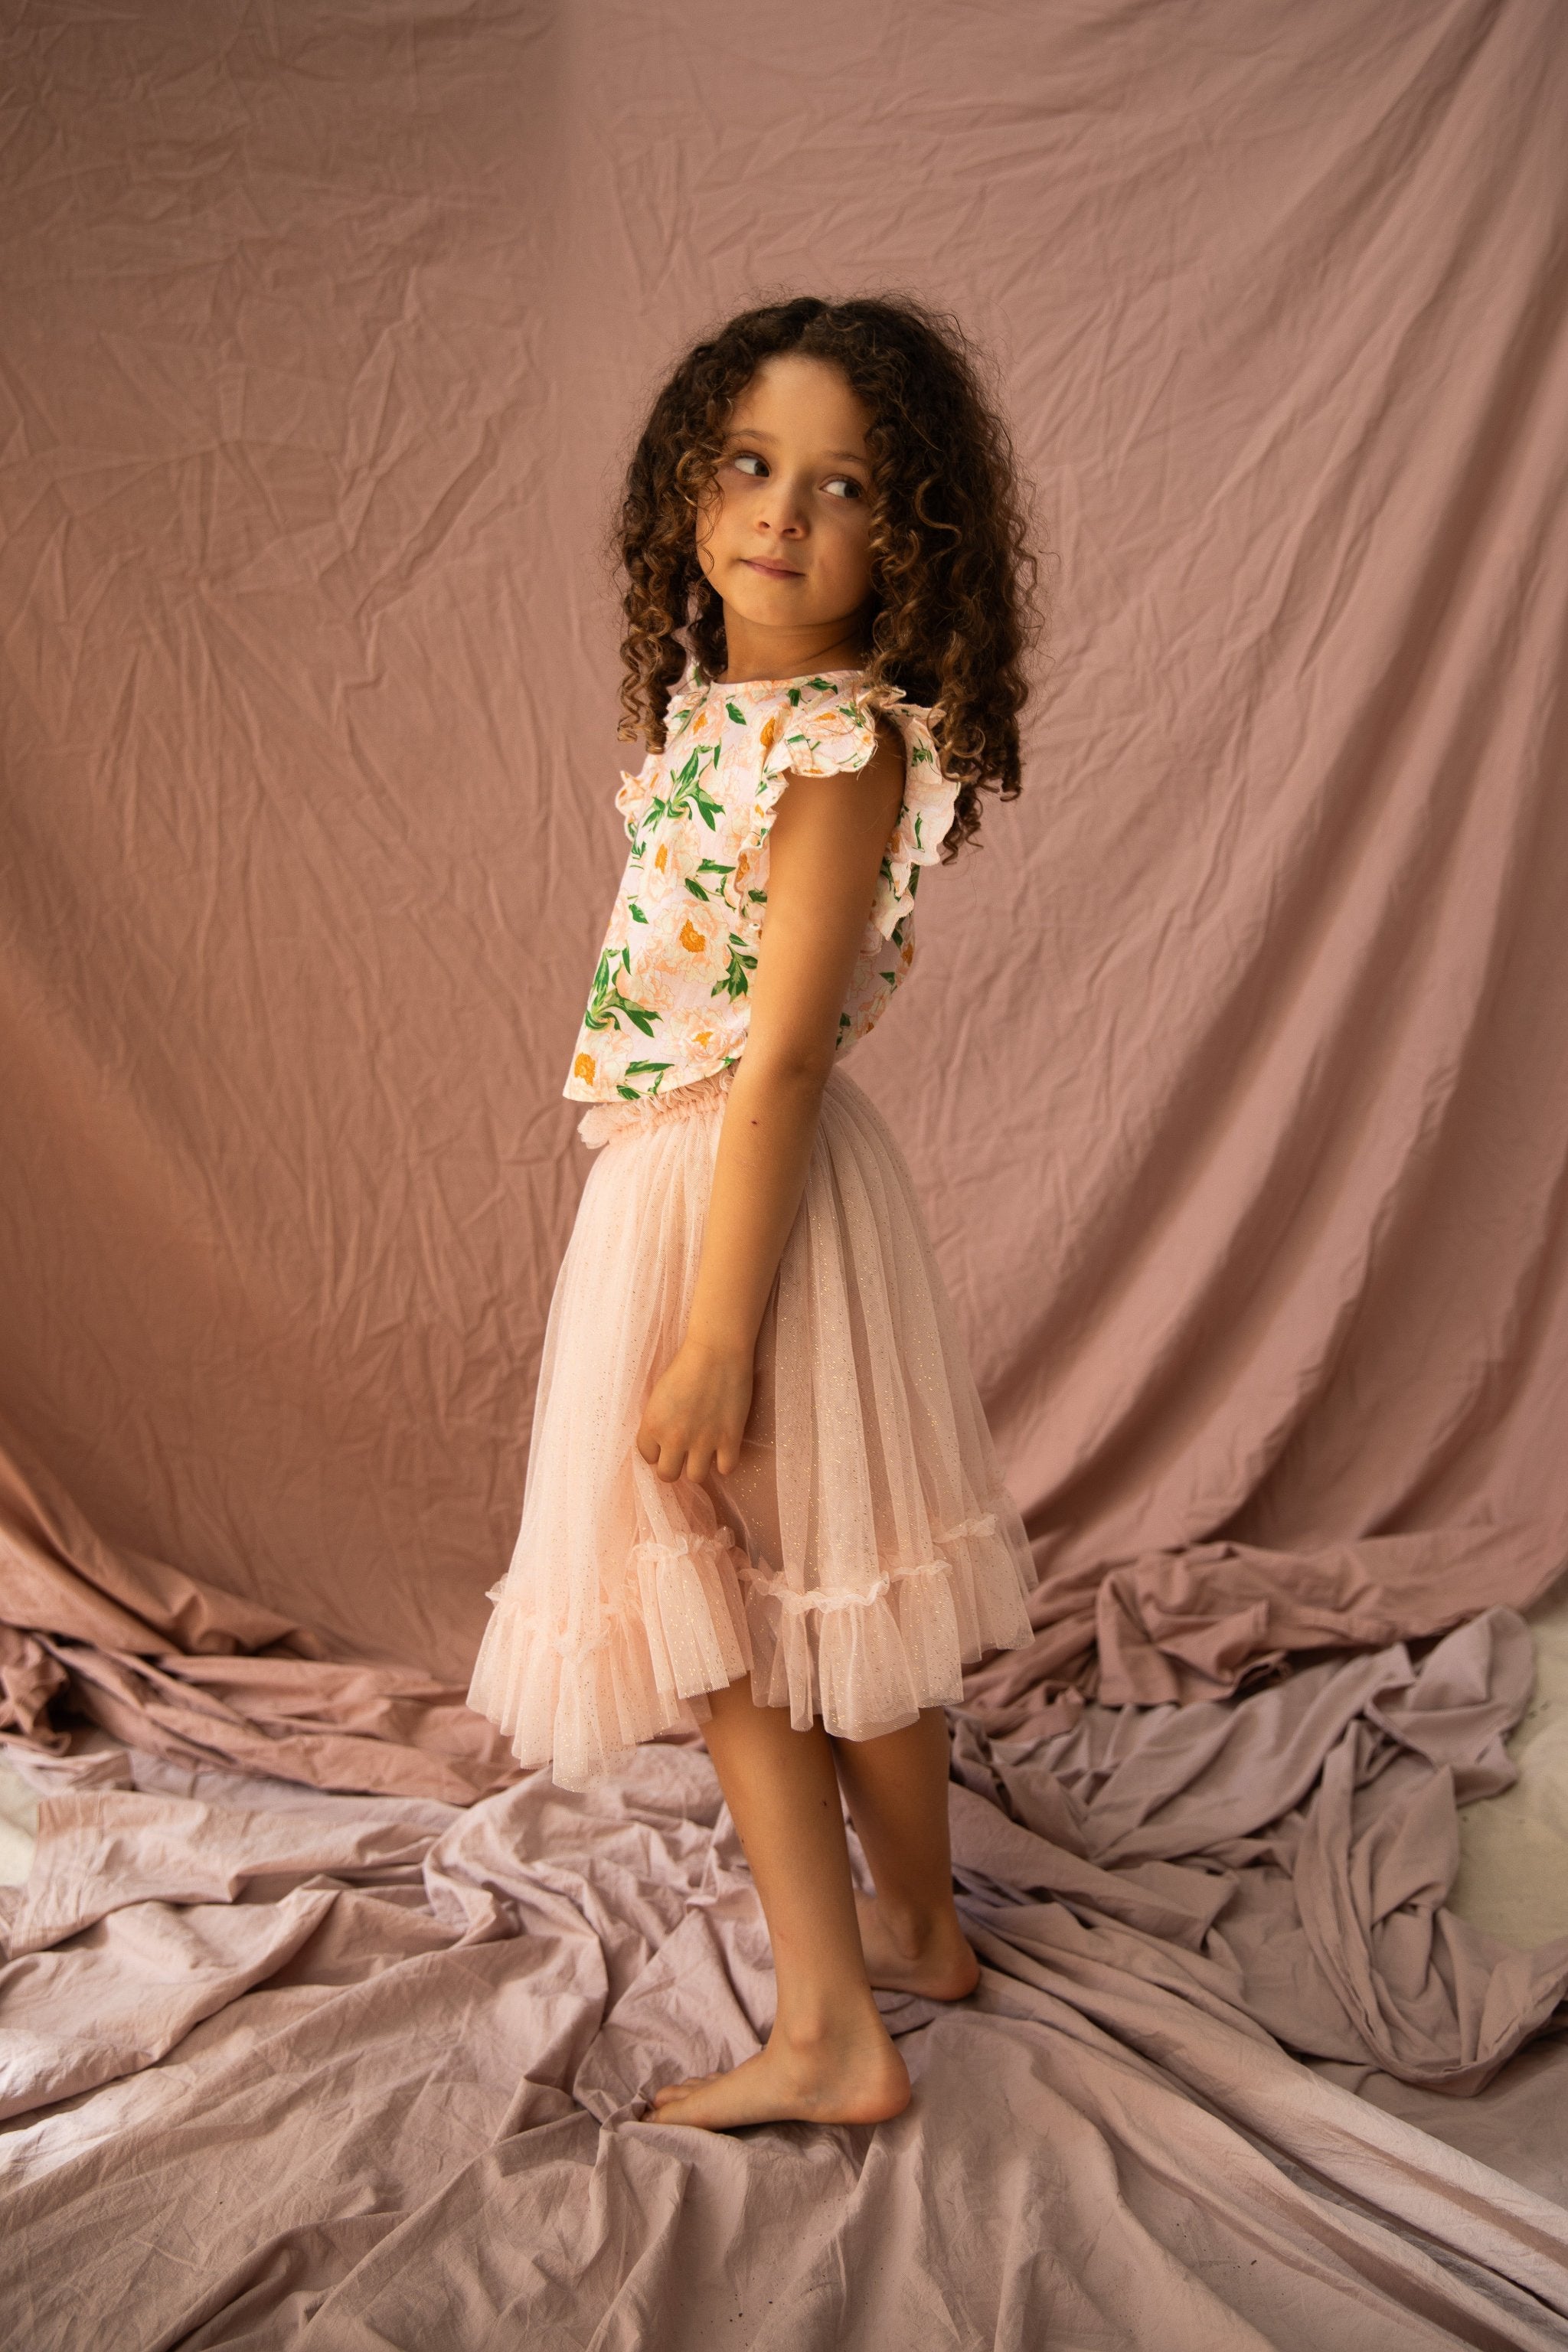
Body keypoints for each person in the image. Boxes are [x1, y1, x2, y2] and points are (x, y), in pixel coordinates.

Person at [468, 292, 1044, 2131]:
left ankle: (829, 2035)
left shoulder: (839, 746)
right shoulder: (723, 712)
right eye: (749, 463)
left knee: (729, 1610)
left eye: (843, 483)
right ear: (686, 490)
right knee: (814, 1592)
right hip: (697, 1176)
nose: (782, 511)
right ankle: (926, 1935)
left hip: (747, 1202)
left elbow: (780, 1057)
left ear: (914, 541)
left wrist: (718, 1330)